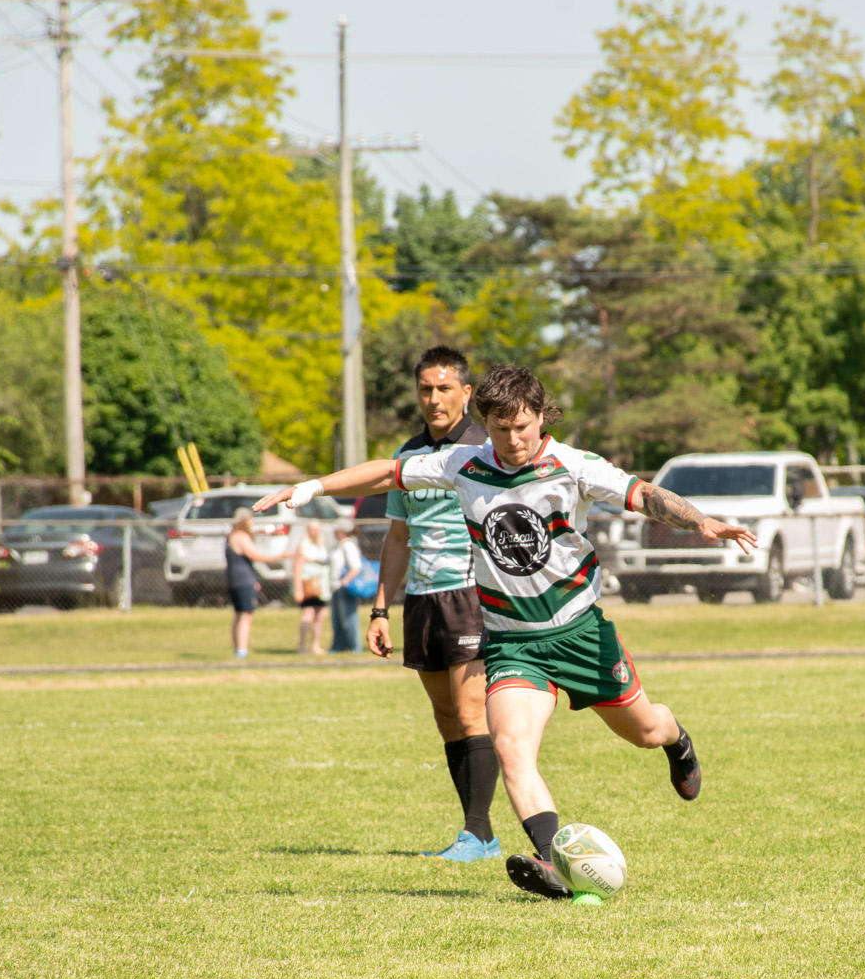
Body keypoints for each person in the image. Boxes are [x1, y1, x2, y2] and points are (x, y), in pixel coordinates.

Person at [255, 363, 758, 899]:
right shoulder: (464, 463)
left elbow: (643, 494)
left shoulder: (573, 465)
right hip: (513, 641)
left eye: (523, 427)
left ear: (542, 417)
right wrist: (311, 486)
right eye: (501, 429)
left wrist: (700, 520)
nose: (514, 440)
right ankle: (552, 865)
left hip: (581, 633)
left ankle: (677, 741)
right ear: (485, 423)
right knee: (512, 747)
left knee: (645, 732)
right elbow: (388, 472)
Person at [366, 346, 501, 861]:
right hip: (421, 599)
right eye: (426, 388)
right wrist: (381, 609)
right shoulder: (408, 456)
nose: (434, 398)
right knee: (446, 716)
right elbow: (398, 537)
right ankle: (477, 835)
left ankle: (479, 832)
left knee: (471, 713)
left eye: (445, 388)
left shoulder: (484, 451)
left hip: (471, 596)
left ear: (466, 394)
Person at [225, 508, 277, 659]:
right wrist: (280, 556)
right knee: (246, 615)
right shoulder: (241, 536)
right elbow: (255, 556)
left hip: (234, 579)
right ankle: (242, 650)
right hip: (243, 580)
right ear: (244, 520)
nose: (252, 523)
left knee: (239, 615)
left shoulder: (229, 536)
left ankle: (238, 649)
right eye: (251, 519)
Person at [292, 519, 331, 656]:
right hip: (308, 584)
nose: (314, 532)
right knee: (308, 615)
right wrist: (298, 589)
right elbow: (297, 568)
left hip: (321, 586)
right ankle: (302, 645)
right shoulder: (303, 546)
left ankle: (315, 645)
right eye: (312, 529)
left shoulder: (321, 546)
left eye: (317, 529)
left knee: (321, 615)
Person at [329, 521, 368, 653]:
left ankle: (355, 648)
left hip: (344, 587)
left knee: (349, 619)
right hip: (335, 587)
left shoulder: (348, 545)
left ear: (342, 531)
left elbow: (356, 567)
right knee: (337, 619)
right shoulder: (338, 546)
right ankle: (339, 646)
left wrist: (344, 582)